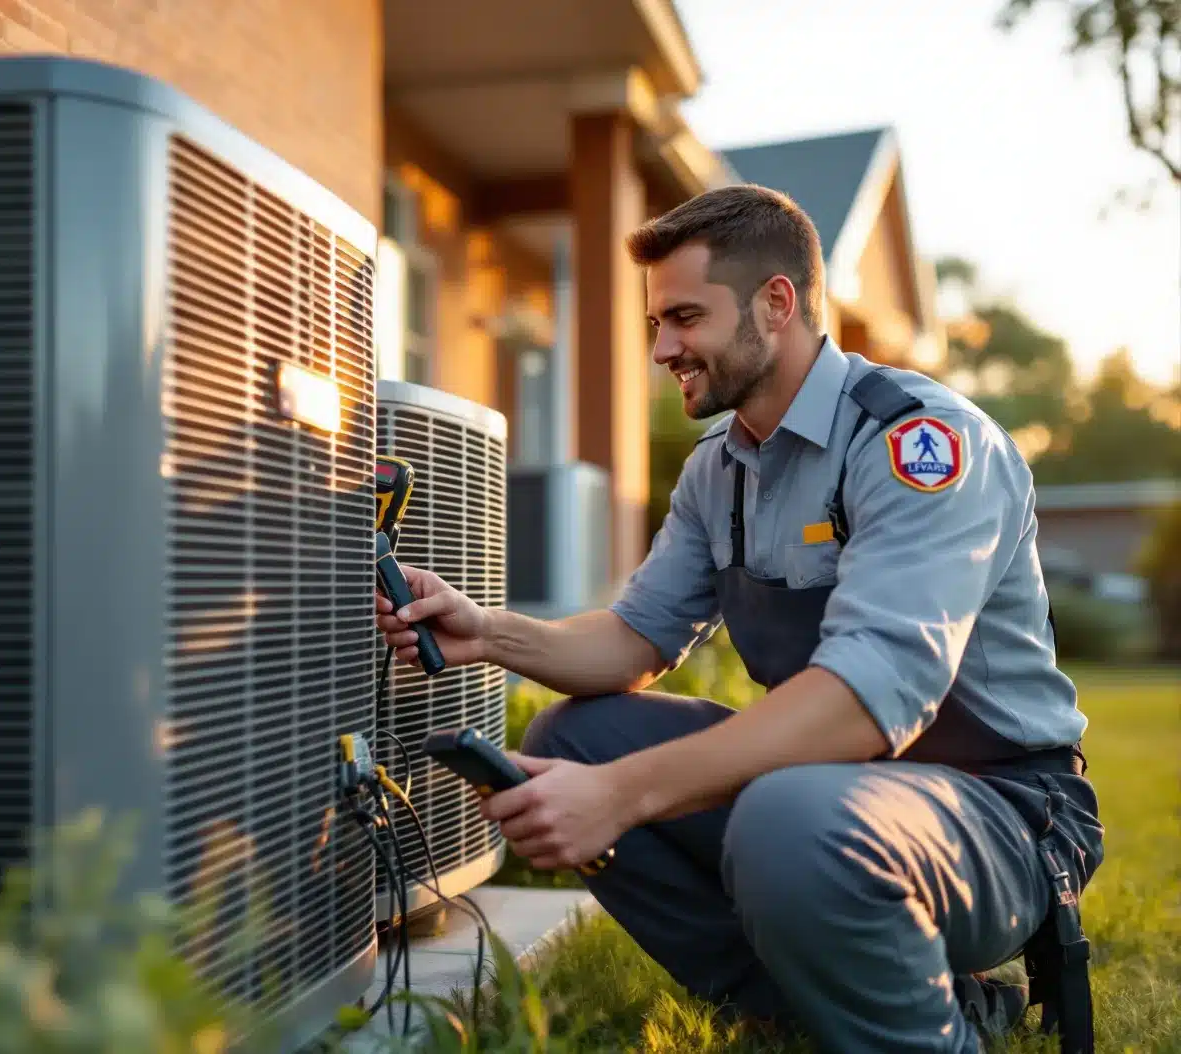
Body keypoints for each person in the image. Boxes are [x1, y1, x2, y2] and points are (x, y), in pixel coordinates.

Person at [373, 184, 1104, 1054]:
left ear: (777, 302)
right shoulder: (716, 472)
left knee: (781, 819)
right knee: (578, 737)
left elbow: (866, 701)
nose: (660, 349)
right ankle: (795, 1006)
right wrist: (488, 633)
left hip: (1008, 810)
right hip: (837, 796)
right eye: (654, 323)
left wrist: (619, 796)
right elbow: (633, 643)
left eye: (684, 318)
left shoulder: (919, 445)